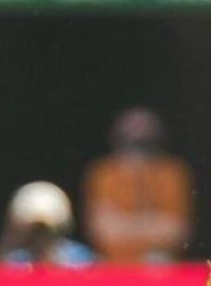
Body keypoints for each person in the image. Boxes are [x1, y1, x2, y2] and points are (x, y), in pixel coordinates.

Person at [82, 107, 193, 263]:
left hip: (161, 270)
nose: (137, 145)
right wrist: (152, 222)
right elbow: (103, 231)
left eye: (143, 140)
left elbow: (177, 231)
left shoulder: (172, 173)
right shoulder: (103, 173)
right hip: (114, 269)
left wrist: (124, 224)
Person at [0, 181, 95, 267]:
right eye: (34, 230)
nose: (39, 237)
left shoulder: (79, 260)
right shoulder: (15, 262)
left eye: (45, 230)